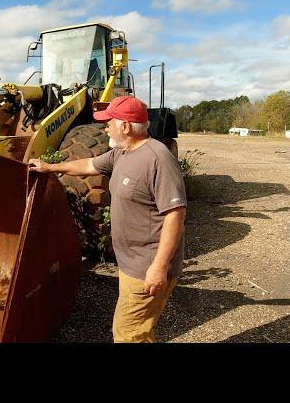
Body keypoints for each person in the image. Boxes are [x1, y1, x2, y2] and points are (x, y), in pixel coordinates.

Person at [28, 95, 187, 343]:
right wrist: (49, 167)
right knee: (137, 330)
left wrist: (159, 267)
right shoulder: (122, 153)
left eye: (109, 121)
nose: (105, 127)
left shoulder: (158, 159)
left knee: (127, 334)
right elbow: (89, 165)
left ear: (125, 125)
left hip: (147, 265)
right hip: (131, 264)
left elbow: (175, 215)